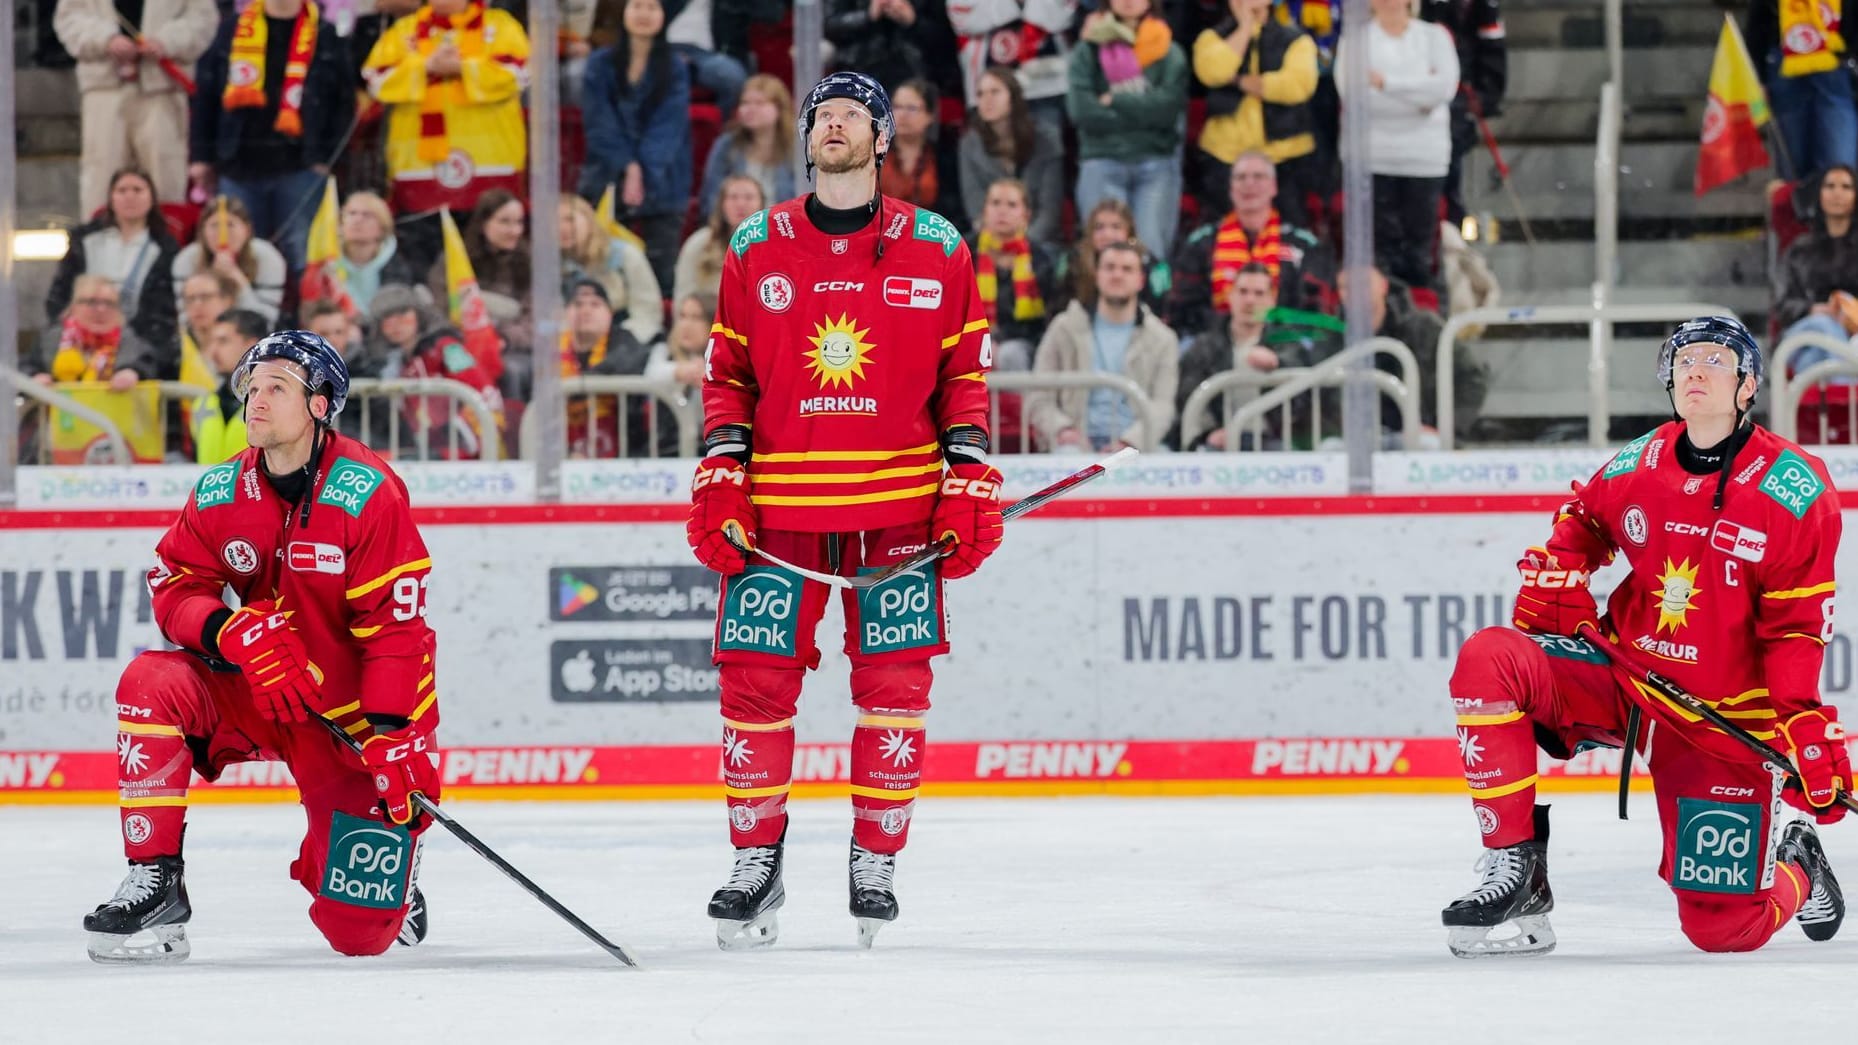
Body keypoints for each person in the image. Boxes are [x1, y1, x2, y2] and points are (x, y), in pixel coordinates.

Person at [689, 71, 1003, 951]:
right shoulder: (756, 244)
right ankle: (756, 859)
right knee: (751, 689)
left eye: (848, 117)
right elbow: (728, 376)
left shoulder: (939, 245)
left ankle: (877, 857)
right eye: (819, 117)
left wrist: (967, 470)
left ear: (881, 137)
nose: (831, 128)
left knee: (897, 689)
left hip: (897, 517)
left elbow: (965, 376)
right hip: (779, 516)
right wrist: (722, 467)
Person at [1441, 316, 1846, 958]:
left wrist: (1800, 725)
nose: (1695, 369)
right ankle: (1518, 871)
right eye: (1683, 359)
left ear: (1748, 385)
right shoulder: (1643, 460)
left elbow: (1796, 627)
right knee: (1490, 659)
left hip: (1719, 721)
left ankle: (1799, 860)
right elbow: (1584, 517)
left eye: (1715, 358)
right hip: (1628, 683)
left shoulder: (1794, 490)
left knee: (1723, 930)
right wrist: (1566, 561)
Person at [83, 330, 441, 964]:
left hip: (349, 721)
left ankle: (395, 871)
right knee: (150, 682)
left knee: (360, 935)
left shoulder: (369, 492)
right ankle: (156, 880)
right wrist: (227, 631)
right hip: (259, 691)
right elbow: (174, 586)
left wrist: (391, 732)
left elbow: (396, 630)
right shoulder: (222, 489)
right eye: (252, 385)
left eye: (278, 387)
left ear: (321, 404)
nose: (256, 399)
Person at [187, 0, 355, 268]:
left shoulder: (325, 35)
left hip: (301, 166)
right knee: (238, 257)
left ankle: (307, 310)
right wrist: (201, 156)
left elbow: (344, 104)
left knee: (305, 257)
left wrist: (327, 159)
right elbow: (206, 97)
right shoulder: (231, 31)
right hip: (238, 165)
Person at [1335, 0, 1458, 291]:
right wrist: (1419, 95)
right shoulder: (1355, 40)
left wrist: (1385, 83)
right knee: (1378, 257)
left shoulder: (1434, 36)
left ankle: (1418, 322)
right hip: (1372, 160)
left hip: (1424, 160)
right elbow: (1353, 95)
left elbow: (1443, 88)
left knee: (1419, 255)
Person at [53, 0, 219, 216]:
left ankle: (166, 243)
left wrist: (166, 41)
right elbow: (68, 19)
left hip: (162, 87)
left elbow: (203, 19)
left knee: (165, 173)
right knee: (101, 174)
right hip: (105, 87)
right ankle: (98, 243)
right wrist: (105, 39)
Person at [579, 0, 693, 291]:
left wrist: (643, 170)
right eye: (637, 5)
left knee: (661, 275)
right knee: (607, 272)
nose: (644, 14)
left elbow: (668, 126)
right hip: (606, 175)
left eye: (652, 7)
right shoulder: (599, 64)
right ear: (624, 11)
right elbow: (599, 123)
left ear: (664, 15)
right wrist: (627, 166)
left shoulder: (676, 66)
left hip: (662, 178)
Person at [1025, 241, 1179, 451]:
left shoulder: (1163, 339)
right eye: (1109, 267)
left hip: (1137, 447)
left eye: (1127, 269)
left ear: (1141, 280)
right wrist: (1063, 430)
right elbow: (1038, 395)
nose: (1117, 275)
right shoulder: (1064, 327)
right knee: (1067, 459)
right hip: (1074, 442)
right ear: (1097, 275)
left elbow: (1163, 406)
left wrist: (1130, 442)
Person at [1066, 0, 1190, 257]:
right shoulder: (1087, 51)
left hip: (1156, 162)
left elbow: (1168, 111)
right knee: (1102, 255)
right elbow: (1083, 111)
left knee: (1150, 254)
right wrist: (1144, 111)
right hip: (1101, 160)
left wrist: (1116, 101)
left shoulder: (1169, 51)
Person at [1166, 150, 1331, 337]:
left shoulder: (1303, 245)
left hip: (1284, 345)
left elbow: (1316, 311)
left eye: (1258, 177)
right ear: (1231, 188)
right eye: (1240, 177)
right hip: (1212, 345)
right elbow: (1182, 310)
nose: (1249, 184)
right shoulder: (1201, 243)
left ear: (1274, 187)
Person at [1191, 0, 1320, 223]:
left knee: (1287, 236)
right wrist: (1244, 28)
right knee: (1225, 234)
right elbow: (1214, 71)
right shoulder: (1210, 38)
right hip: (1224, 155)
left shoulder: (1297, 40)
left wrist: (1239, 81)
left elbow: (1297, 86)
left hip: (1285, 156)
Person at [46, 168, 181, 359]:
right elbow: (60, 293)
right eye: (122, 190)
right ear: (111, 198)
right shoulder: (85, 241)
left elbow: (163, 308)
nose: (129, 197)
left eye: (137, 190)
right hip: (80, 338)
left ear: (151, 198)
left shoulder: (165, 248)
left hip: (137, 341)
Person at [957, 67, 1067, 245]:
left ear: (1013, 97)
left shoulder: (1046, 140)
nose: (987, 100)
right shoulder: (969, 144)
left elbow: (1049, 209)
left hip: (1038, 240)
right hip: (990, 240)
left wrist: (1023, 246)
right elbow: (974, 204)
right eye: (980, 94)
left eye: (995, 92)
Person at [1775, 164, 1858, 376]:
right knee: (1824, 327)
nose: (1837, 193)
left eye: (1845, 187)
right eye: (1830, 186)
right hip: (1805, 329)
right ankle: (1843, 397)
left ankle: (1820, 407)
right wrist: (1814, 309)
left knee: (1813, 358)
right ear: (1819, 194)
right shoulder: (1799, 249)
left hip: (1853, 331)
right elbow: (1782, 306)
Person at [170, 197, 291, 325]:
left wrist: (238, 281)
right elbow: (186, 320)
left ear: (247, 230)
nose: (223, 234)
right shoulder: (187, 259)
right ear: (202, 231)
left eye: (230, 225)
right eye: (214, 225)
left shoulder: (267, 257)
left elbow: (266, 322)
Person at [695, 74, 797, 224]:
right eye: (745, 103)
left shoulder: (798, 149)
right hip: (736, 232)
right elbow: (711, 198)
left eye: (759, 103)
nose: (750, 109)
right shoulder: (727, 145)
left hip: (785, 231)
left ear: (779, 109)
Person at [191, 308, 271, 463]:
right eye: (211, 342)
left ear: (252, 346)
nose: (213, 351)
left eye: (223, 341)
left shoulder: (276, 403)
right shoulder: (202, 405)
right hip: (214, 487)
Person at [675, 175, 768, 305]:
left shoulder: (776, 245)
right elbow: (683, 297)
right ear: (722, 205)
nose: (741, 204)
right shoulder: (699, 243)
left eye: (749, 197)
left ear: (762, 205)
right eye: (733, 197)